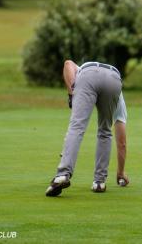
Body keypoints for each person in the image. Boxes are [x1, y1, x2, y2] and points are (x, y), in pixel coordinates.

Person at [46, 60, 129, 197]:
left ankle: (62, 175)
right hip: (114, 80)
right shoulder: (119, 97)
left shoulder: (81, 69)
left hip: (88, 75)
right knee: (105, 131)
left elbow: (67, 64)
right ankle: (99, 182)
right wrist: (120, 173)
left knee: (77, 126)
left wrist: (71, 94)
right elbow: (122, 142)